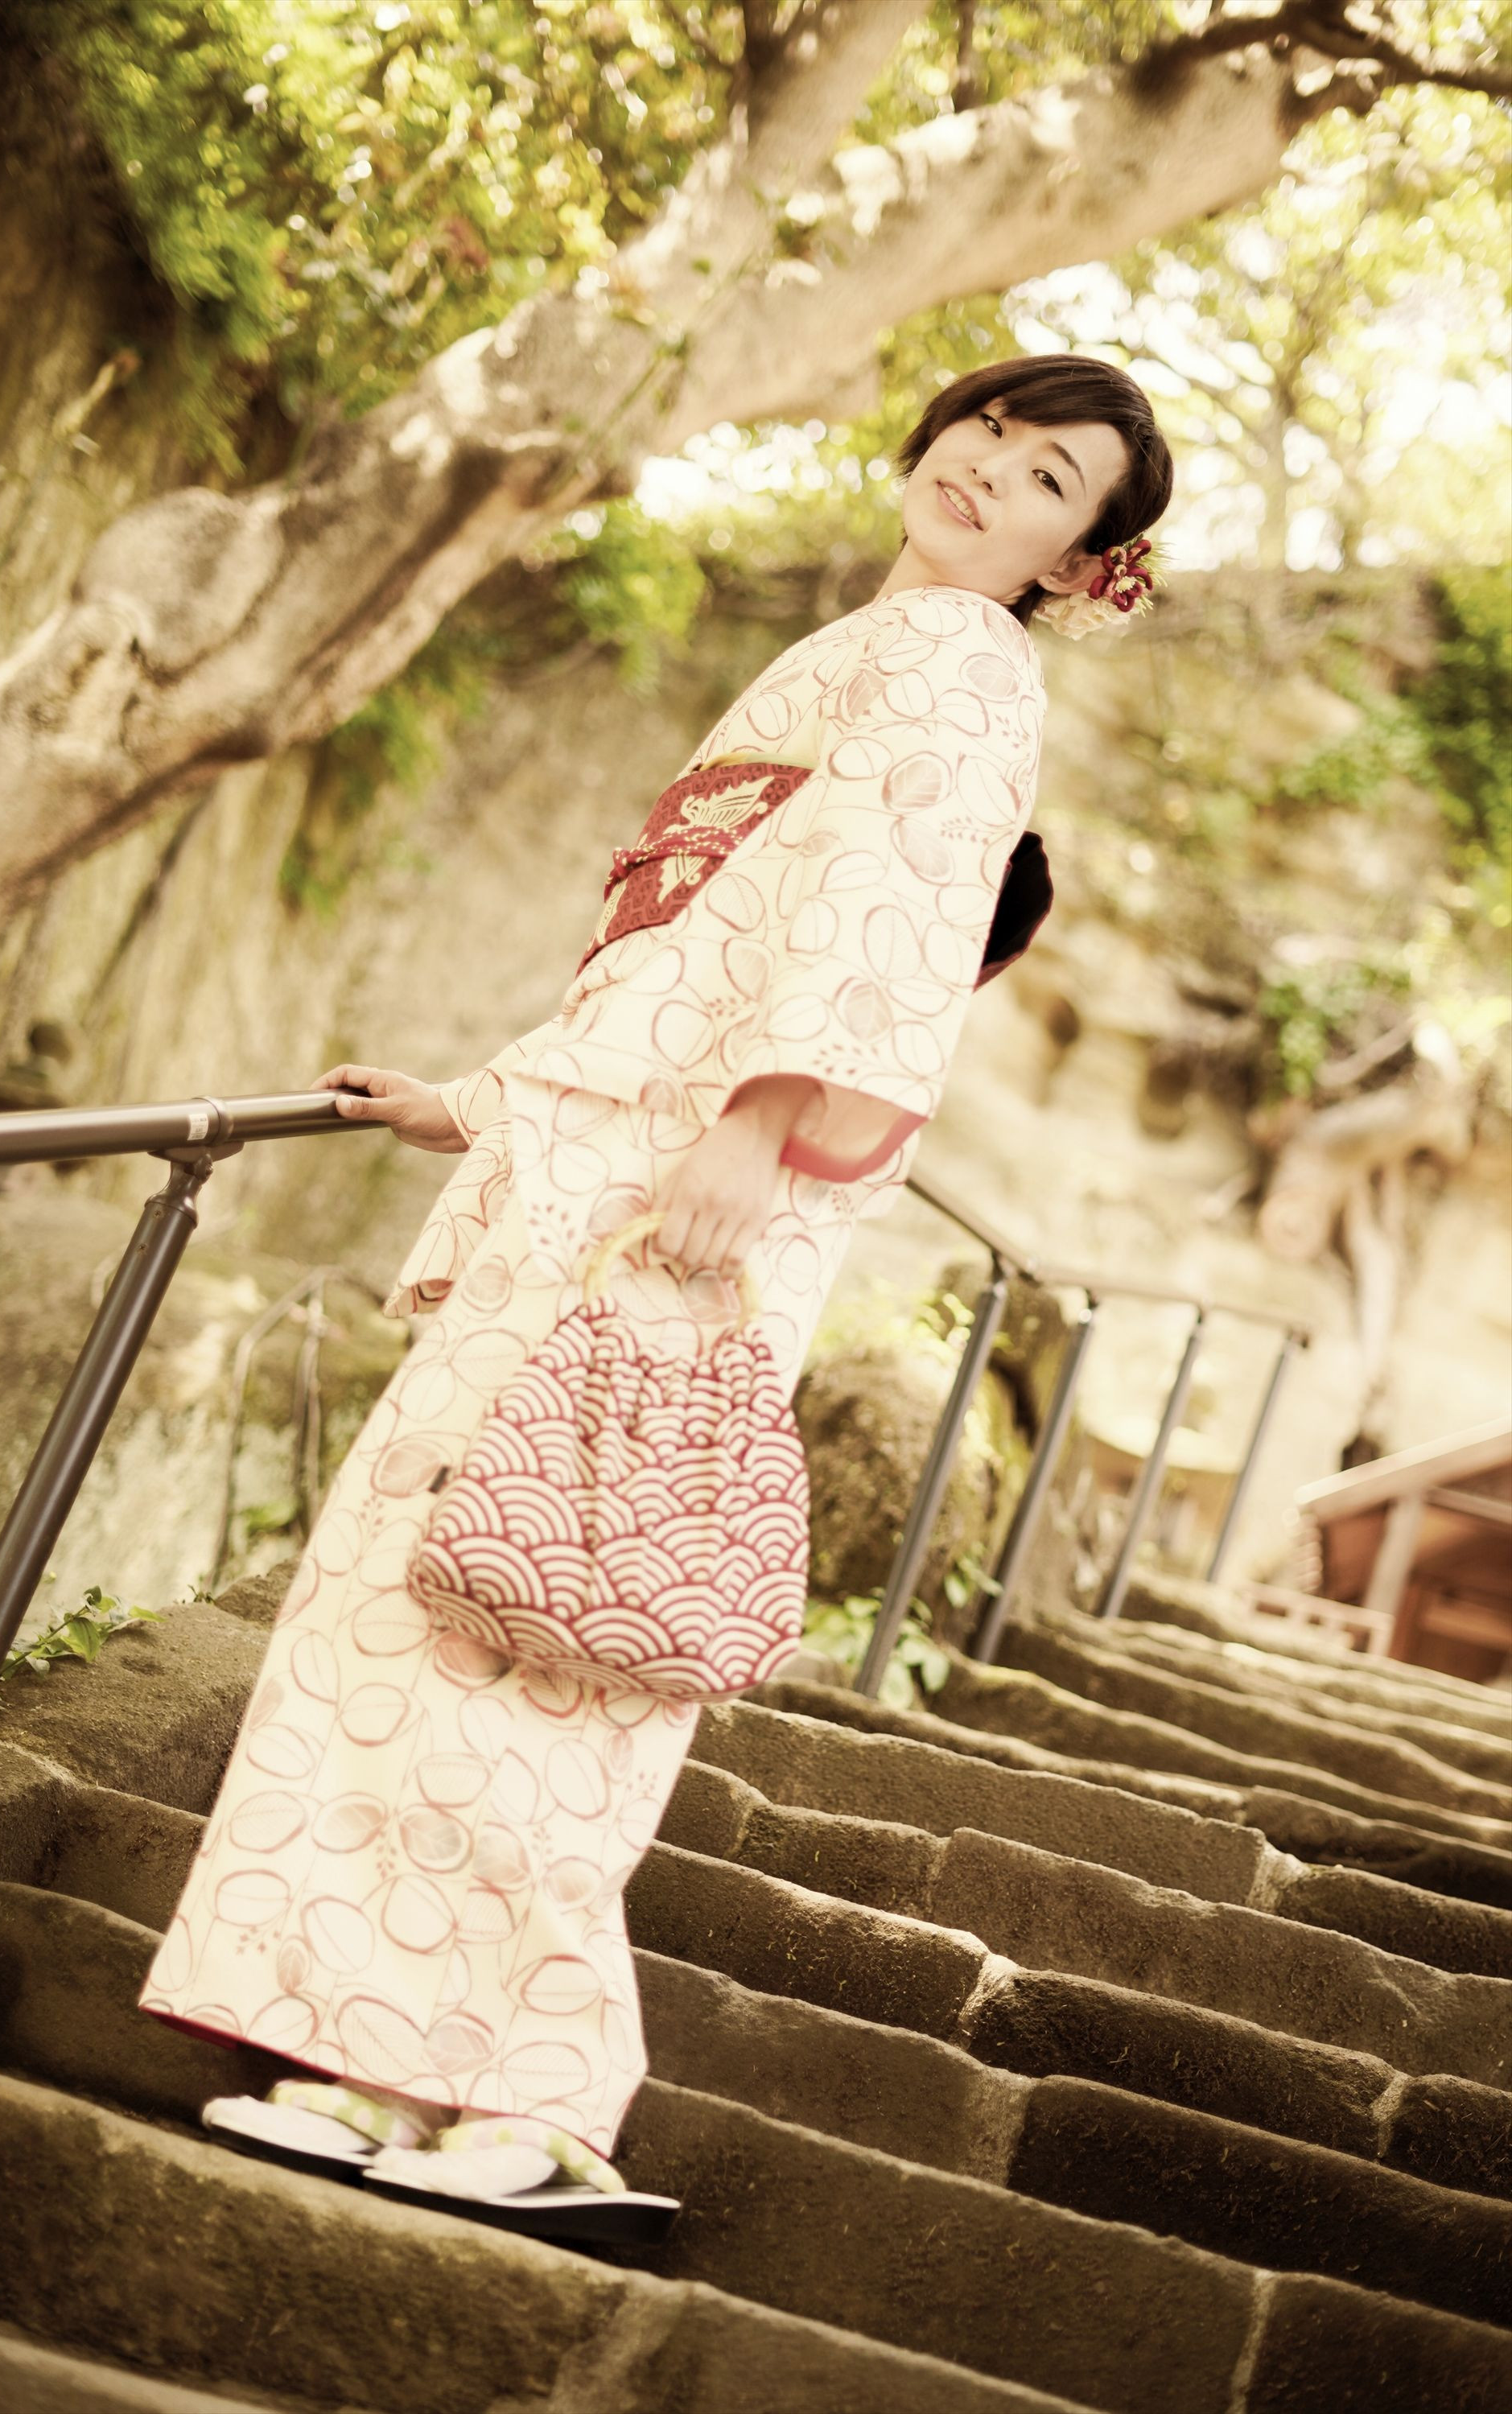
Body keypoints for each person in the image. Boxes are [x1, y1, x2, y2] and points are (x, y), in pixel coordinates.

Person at [140, 352, 1173, 2239]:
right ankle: (374, 2052)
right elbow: (690, 938)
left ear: (1071, 563)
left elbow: (888, 911)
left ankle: (534, 2098)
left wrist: (761, 1121)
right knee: (440, 1610)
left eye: (1050, 481)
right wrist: (485, 1103)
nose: (990, 472)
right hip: (621, 1170)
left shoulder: (959, 662)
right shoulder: (864, 647)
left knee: (554, 1630)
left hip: (691, 1202)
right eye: (989, 433)